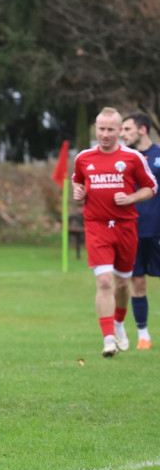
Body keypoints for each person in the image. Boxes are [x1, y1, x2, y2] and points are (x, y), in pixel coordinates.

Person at [72, 107, 158, 358]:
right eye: (101, 129)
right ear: (95, 129)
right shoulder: (84, 158)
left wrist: (131, 197)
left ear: (120, 131)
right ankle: (108, 339)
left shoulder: (133, 158)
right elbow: (78, 180)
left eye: (111, 129)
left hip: (125, 227)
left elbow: (151, 188)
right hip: (97, 226)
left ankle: (119, 323)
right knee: (104, 280)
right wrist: (79, 192)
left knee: (122, 284)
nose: (106, 134)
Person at [119, 111, 160, 349]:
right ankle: (143, 335)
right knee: (138, 282)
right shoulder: (123, 159)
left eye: (127, 129)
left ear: (142, 130)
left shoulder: (158, 156)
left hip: (157, 231)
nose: (122, 134)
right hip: (132, 231)